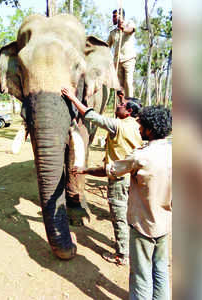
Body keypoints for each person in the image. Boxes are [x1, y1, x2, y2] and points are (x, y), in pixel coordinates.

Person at [61, 87, 143, 266]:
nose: (118, 106)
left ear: (129, 111)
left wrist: (73, 98)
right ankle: (127, 246)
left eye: (121, 105)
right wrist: (122, 97)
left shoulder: (117, 125)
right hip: (135, 178)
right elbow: (128, 110)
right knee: (130, 214)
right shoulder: (138, 125)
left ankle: (122, 255)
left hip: (119, 179)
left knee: (119, 216)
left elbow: (91, 116)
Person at [106, 106, 172, 300]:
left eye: (141, 126)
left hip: (143, 226)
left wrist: (86, 170)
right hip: (164, 224)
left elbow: (112, 170)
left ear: (150, 129)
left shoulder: (140, 156)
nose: (139, 129)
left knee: (141, 275)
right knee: (160, 270)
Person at [108, 8, 137, 98]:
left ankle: (130, 104)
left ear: (121, 16)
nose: (113, 19)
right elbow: (107, 46)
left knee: (128, 82)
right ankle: (121, 107)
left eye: (115, 16)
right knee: (119, 87)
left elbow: (130, 30)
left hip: (129, 59)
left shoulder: (129, 23)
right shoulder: (113, 33)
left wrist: (123, 28)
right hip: (117, 62)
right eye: (113, 17)